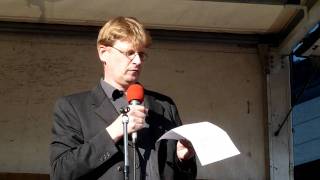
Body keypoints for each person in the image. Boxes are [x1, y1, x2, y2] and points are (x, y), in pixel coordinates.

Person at [50, 16, 197, 180]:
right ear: (103, 53)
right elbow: (61, 171)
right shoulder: (72, 107)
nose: (138, 61)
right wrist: (113, 132)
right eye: (129, 53)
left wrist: (183, 160)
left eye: (141, 54)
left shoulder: (164, 106)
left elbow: (184, 175)